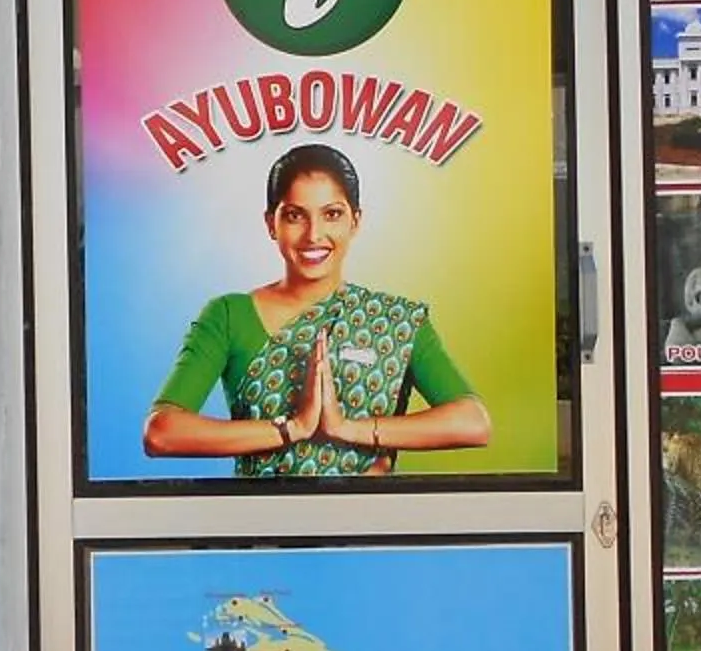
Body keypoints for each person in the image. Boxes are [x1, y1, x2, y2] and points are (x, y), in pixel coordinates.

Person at [142, 144, 491, 479]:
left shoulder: (397, 321)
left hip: (369, 530)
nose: (314, 234)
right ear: (270, 224)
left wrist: (347, 428)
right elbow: (162, 433)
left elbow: (472, 423)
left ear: (355, 221)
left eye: (332, 214)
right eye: (295, 216)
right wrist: (291, 428)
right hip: (259, 530)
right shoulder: (229, 315)